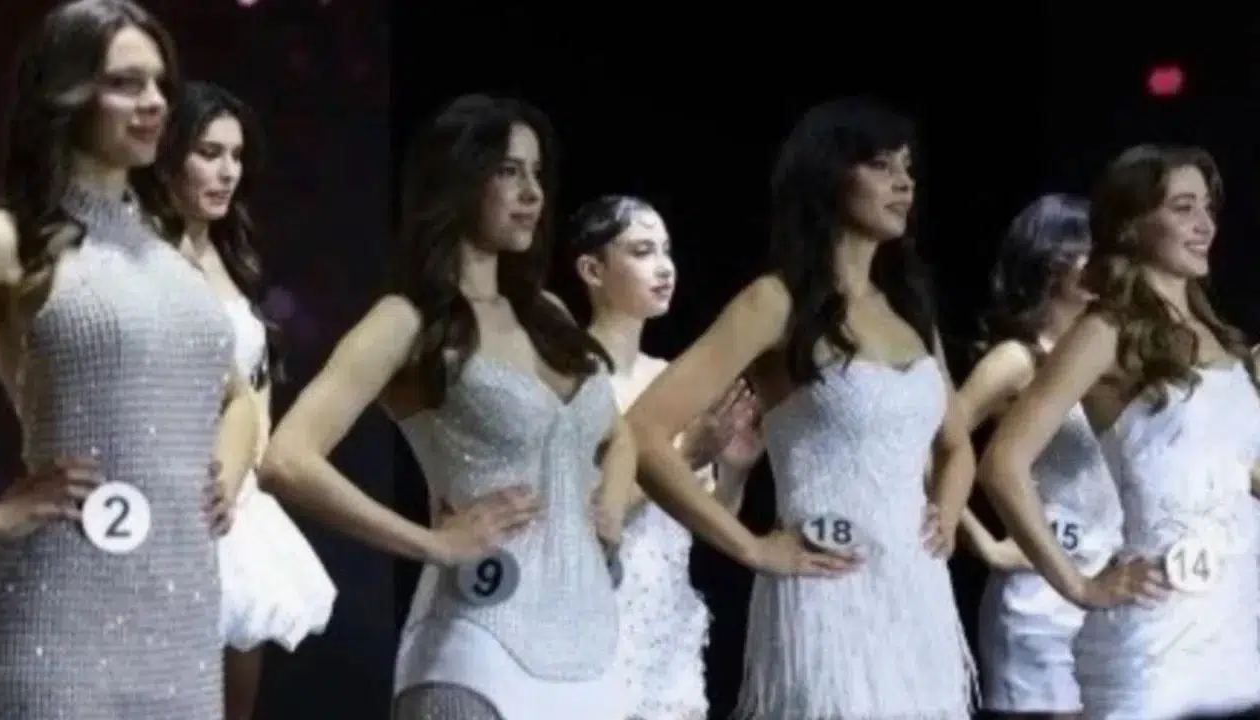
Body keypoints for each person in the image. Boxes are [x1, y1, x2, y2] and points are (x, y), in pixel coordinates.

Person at [260, 93, 634, 720]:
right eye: (509, 171)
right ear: (458, 178)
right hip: (476, 654)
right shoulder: (407, 320)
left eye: (537, 173)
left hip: (598, 658)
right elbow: (286, 460)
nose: (533, 193)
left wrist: (611, 509)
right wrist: (432, 544)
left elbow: (616, 435)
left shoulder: (549, 314)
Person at [626, 97, 977, 719]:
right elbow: (643, 432)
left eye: (907, 167)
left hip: (917, 594)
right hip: (823, 593)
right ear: (829, 176)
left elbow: (956, 446)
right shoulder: (775, 302)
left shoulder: (910, 310)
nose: (904, 182)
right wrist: (751, 549)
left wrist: (945, 515)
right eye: (880, 165)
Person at [0, 1, 258, 716]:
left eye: (160, 83)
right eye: (125, 83)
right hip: (55, 620)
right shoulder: (8, 240)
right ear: (66, 94)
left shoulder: (170, 252)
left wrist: (224, 475)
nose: (155, 102)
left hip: (181, 628)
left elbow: (236, 396)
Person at [978, 144, 1260, 720]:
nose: (1204, 224)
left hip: (1236, 629)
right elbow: (1002, 462)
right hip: (1153, 644)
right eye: (1183, 207)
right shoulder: (1105, 330)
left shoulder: (1219, 336)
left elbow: (1241, 477)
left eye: (1207, 207)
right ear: (1131, 226)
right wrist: (1080, 587)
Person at [132, 80, 337, 719]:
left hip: (236, 506)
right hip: (167, 500)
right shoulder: (137, 256)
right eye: (209, 153)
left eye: (237, 156)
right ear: (167, 159)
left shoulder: (230, 254)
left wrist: (246, 468)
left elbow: (255, 383)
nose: (227, 172)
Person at [565, 194, 763, 719]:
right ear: (592, 270)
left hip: (666, 626)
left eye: (666, 250)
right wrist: (685, 452)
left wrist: (733, 471)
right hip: (590, 616)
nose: (664, 267)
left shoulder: (670, 380)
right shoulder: (567, 376)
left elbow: (706, 520)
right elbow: (578, 519)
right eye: (641, 251)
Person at [955, 194, 1123, 719]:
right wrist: (985, 544)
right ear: (1054, 262)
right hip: (1041, 602)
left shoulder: (1111, 357)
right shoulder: (1016, 360)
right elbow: (928, 449)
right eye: (1094, 250)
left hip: (1112, 592)